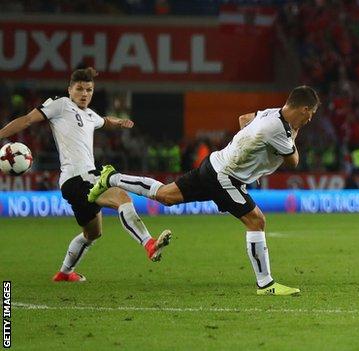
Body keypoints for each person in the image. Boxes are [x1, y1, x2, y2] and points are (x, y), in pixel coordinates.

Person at [87, 86, 320, 296]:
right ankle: (265, 284)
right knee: (256, 220)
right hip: (224, 177)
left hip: (214, 164)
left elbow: (244, 119)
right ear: (304, 108)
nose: (311, 119)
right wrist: (291, 139)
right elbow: (293, 162)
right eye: (311, 113)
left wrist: (251, 162)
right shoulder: (279, 128)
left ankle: (112, 177)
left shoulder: (270, 112)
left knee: (165, 196)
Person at [0, 67, 171, 282]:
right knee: (121, 197)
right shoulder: (61, 104)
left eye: (89, 90)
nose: (84, 94)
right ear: (69, 90)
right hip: (78, 177)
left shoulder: (89, 115)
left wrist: (117, 122)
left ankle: (64, 273)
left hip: (78, 182)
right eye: (79, 89)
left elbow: (103, 120)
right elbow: (26, 120)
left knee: (93, 233)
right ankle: (149, 243)